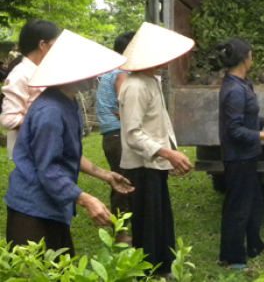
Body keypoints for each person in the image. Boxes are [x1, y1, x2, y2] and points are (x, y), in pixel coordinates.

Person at [4, 29, 133, 256]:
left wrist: (105, 174)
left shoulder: (68, 102)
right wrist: (85, 199)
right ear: (72, 73)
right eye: (90, 73)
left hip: (52, 206)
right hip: (33, 210)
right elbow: (48, 169)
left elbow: (67, 152)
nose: (95, 79)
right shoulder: (50, 112)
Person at [118, 22, 194, 279]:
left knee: (160, 219)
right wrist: (167, 153)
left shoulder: (151, 81)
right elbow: (132, 134)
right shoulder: (136, 86)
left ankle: (163, 267)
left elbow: (159, 124)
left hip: (154, 163)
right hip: (141, 166)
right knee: (147, 224)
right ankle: (147, 272)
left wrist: (170, 153)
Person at [217, 37, 264, 270]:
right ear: (244, 58)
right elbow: (235, 129)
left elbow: (247, 119)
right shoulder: (233, 90)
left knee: (254, 204)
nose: (253, 59)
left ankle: (255, 246)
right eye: (251, 55)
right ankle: (232, 257)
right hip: (238, 157)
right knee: (238, 208)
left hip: (248, 154)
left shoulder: (241, 84)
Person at [95, 31, 135, 244]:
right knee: (123, 184)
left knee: (121, 182)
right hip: (119, 135)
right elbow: (124, 100)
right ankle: (120, 234)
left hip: (110, 136)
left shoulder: (110, 71)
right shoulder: (122, 72)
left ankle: (122, 230)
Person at [1, 20, 60, 160]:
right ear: (42, 45)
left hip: (47, 147)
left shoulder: (43, 71)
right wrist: (45, 119)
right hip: (30, 152)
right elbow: (9, 119)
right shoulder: (20, 75)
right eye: (55, 44)